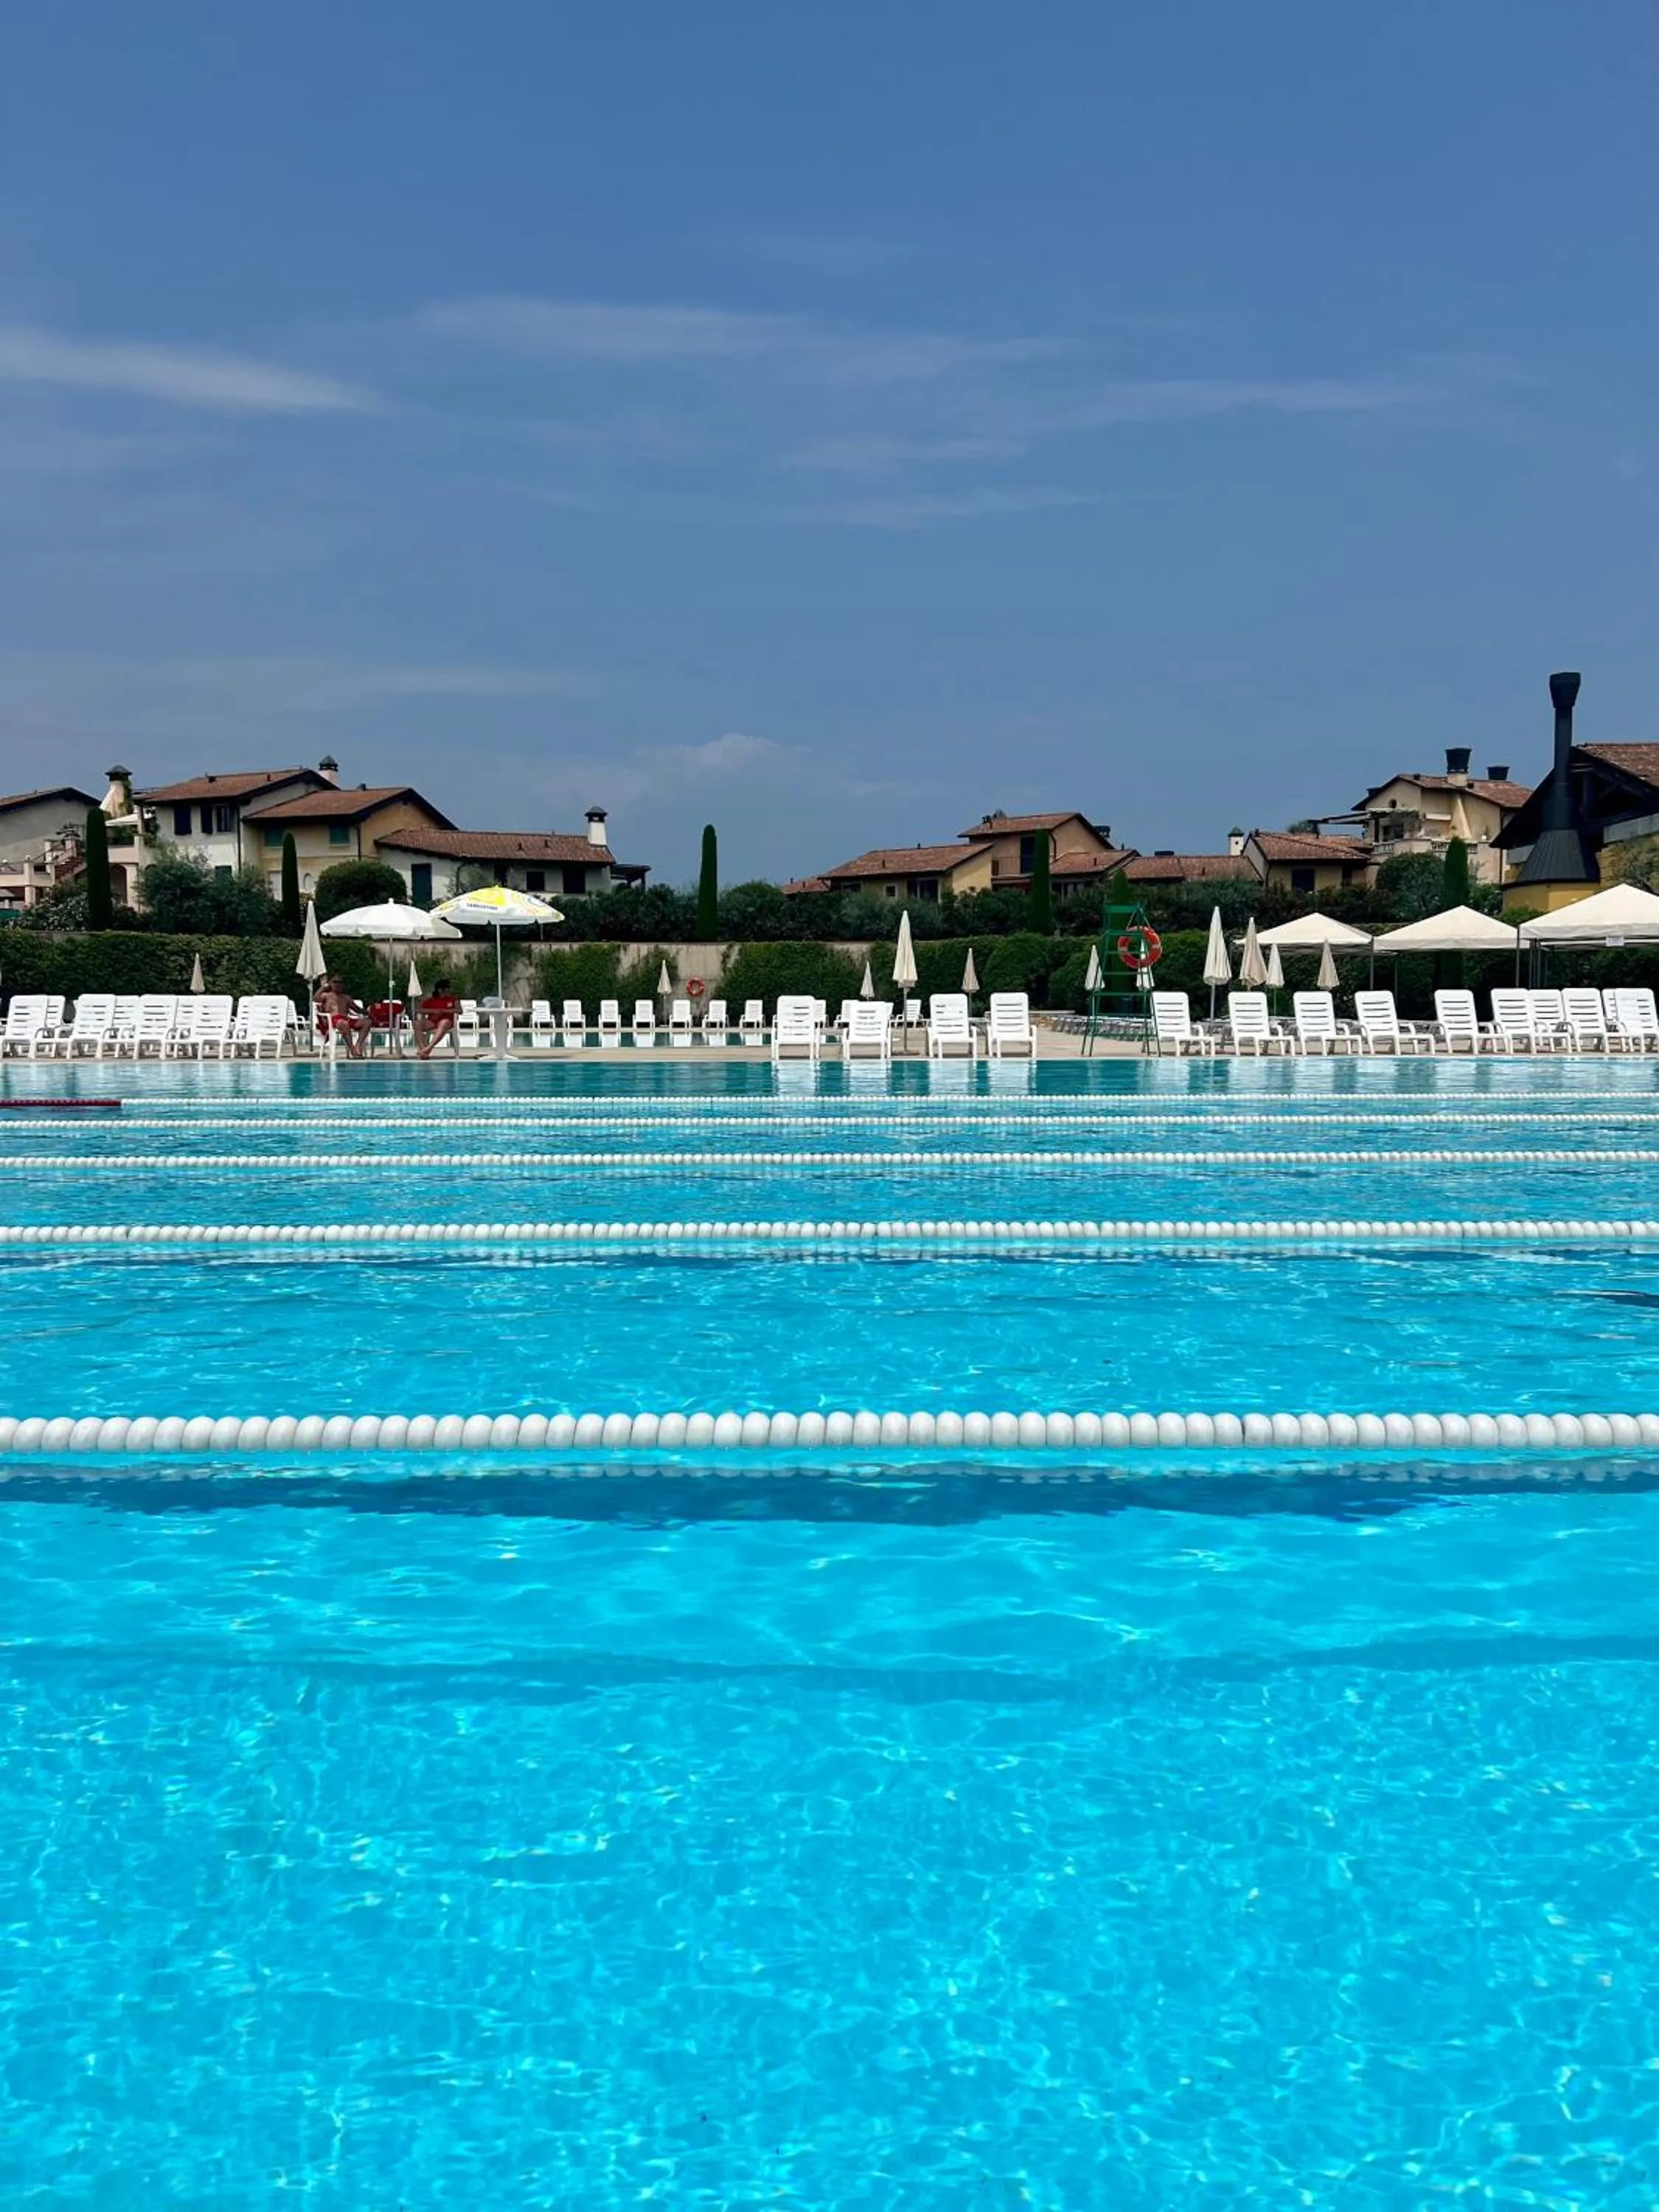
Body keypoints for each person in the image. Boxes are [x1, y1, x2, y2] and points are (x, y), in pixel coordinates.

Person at [315, 975, 369, 1060]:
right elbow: (315, 999)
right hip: (333, 1020)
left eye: (340, 982)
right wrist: (324, 987)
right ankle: (353, 1050)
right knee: (344, 1023)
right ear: (330, 984)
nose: (338, 984)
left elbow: (357, 1010)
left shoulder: (346, 997)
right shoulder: (326, 995)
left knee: (367, 1022)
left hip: (346, 1019)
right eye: (335, 982)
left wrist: (370, 1011)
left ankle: (358, 1045)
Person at [414, 987, 459, 1059]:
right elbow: (419, 1010)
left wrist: (444, 1011)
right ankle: (423, 1050)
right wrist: (433, 1011)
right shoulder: (431, 1000)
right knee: (417, 1024)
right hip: (432, 1021)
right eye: (448, 988)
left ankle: (428, 1048)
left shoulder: (453, 999)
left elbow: (459, 1010)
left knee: (444, 1022)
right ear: (440, 990)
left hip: (446, 1021)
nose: (450, 990)